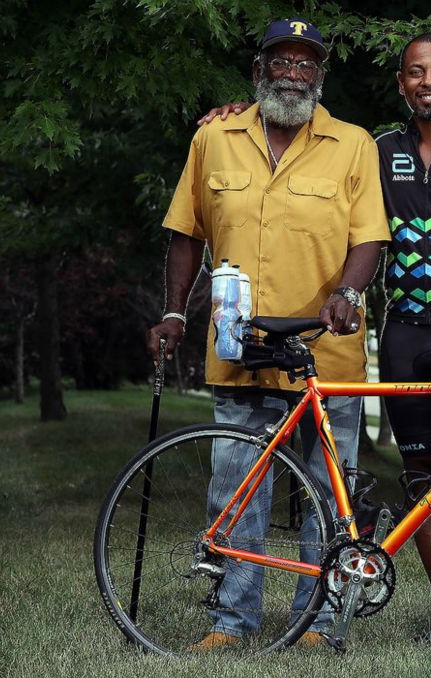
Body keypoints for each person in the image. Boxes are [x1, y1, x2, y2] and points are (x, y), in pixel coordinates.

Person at [199, 32, 431, 643]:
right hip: (405, 335)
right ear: (401, 84)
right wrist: (234, 113)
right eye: (415, 73)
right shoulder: (374, 150)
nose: (428, 81)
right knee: (423, 479)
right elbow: (304, 146)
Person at [147, 17, 389, 650]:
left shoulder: (353, 143)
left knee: (329, 494)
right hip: (241, 349)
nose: (294, 73)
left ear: (321, 76)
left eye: (306, 64)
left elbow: (369, 236)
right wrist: (174, 312)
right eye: (281, 62)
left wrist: (348, 293)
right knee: (237, 486)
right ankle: (231, 623)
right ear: (258, 73)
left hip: (327, 353)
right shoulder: (213, 138)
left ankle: (320, 623)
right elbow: (185, 232)